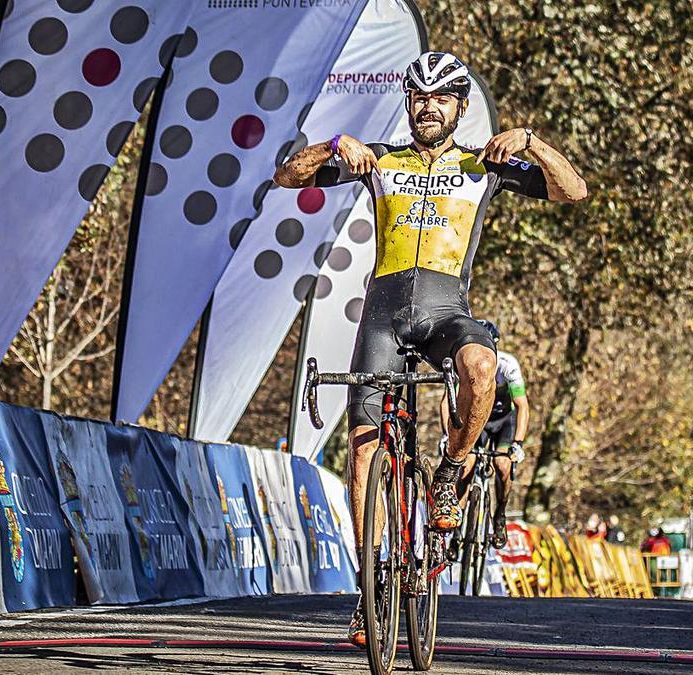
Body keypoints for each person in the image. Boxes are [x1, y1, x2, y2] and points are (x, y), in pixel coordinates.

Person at [273, 51, 587, 646]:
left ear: (460, 107)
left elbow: (574, 191)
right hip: (383, 317)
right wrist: (336, 145)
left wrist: (531, 141)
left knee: (481, 365)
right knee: (364, 452)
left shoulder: (482, 165)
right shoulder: (381, 160)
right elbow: (287, 176)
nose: (427, 107)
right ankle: (372, 592)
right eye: (418, 96)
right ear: (407, 102)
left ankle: (450, 470)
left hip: (448, 311)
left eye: (441, 98)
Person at [447, 319, 530, 549]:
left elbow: (522, 406)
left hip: (504, 420)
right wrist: (450, 435)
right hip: (479, 420)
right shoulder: (464, 363)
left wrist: (518, 443)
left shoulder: (508, 365)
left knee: (503, 466)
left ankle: (500, 515)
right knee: (465, 466)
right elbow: (449, 401)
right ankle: (456, 524)